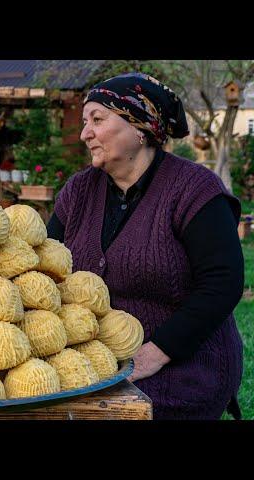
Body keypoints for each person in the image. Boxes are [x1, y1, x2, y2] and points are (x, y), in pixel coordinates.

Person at [46, 72, 244, 420]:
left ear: (140, 128)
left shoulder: (193, 190)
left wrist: (157, 352)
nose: (84, 133)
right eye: (84, 122)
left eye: (97, 119)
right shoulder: (78, 192)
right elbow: (45, 264)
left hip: (183, 367)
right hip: (96, 363)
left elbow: (222, 284)